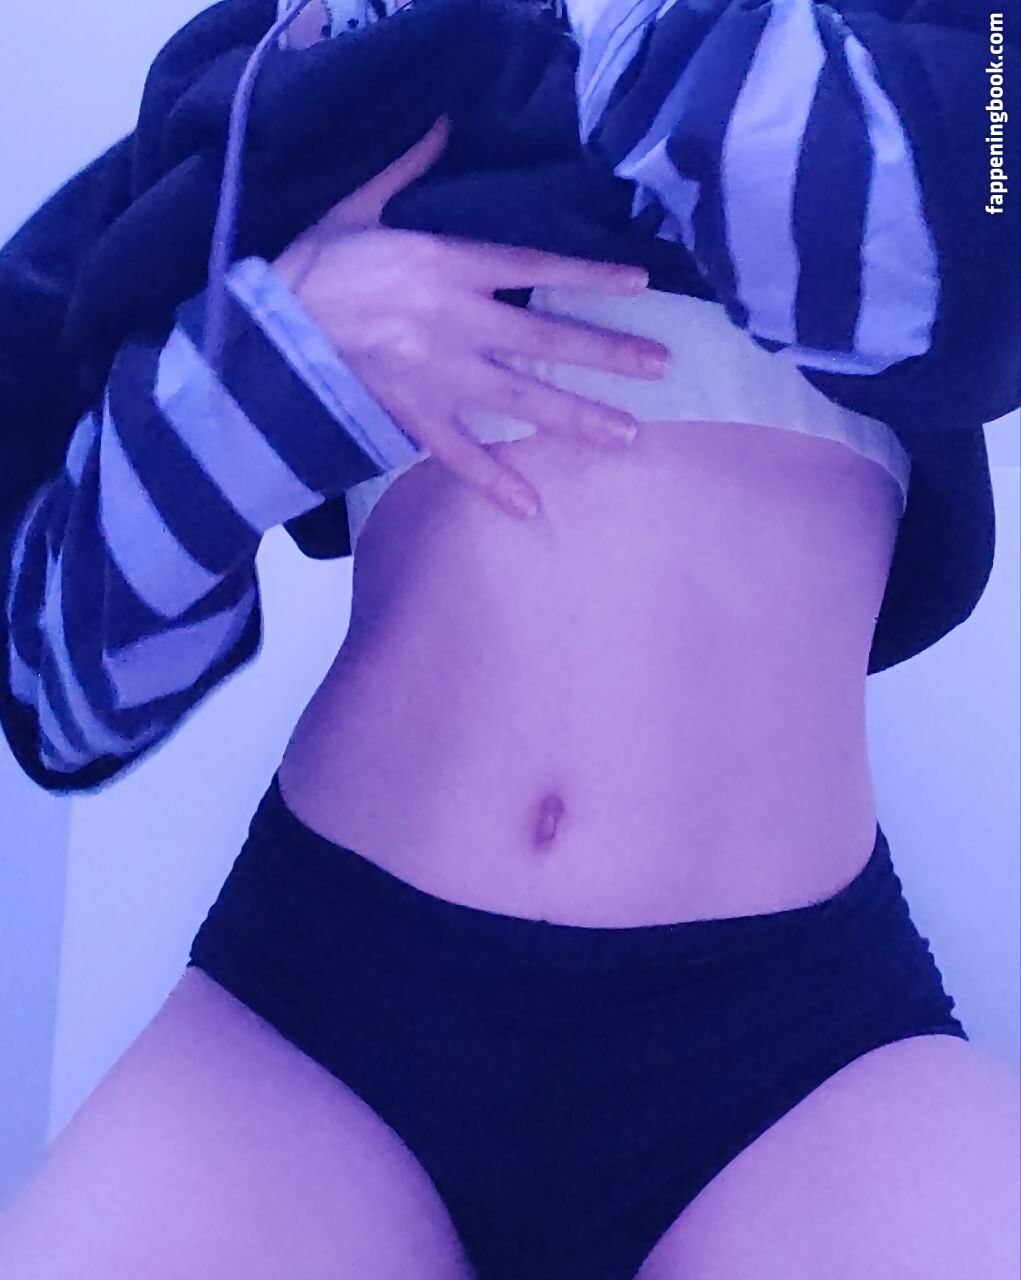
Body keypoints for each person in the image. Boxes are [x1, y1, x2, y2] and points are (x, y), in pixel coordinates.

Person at [1, 0, 1019, 1277]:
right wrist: (280, 354)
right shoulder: (284, 63)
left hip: (802, 1044)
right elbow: (60, 690)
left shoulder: (962, 45)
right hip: (320, 1010)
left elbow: (970, 270)